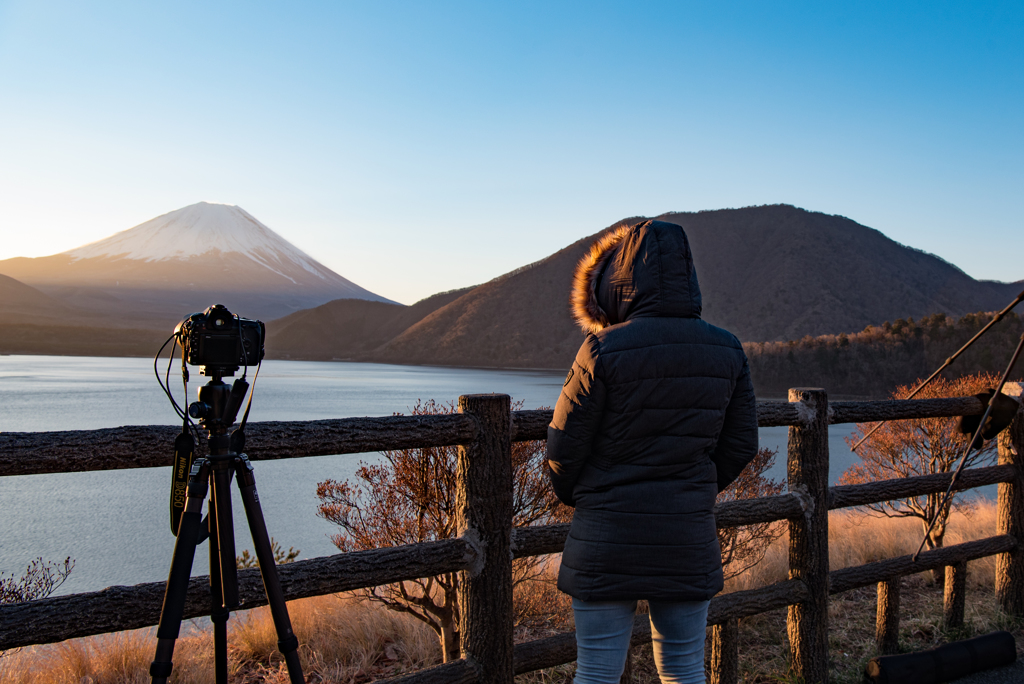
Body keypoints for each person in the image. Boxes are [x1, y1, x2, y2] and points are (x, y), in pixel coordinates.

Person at [547, 220, 758, 684]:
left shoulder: (602, 348)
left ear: (621, 282)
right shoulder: (728, 350)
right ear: (689, 276)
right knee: (684, 670)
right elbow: (742, 443)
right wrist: (694, 488)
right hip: (686, 535)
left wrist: (581, 494)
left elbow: (563, 445)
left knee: (597, 672)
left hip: (605, 532)